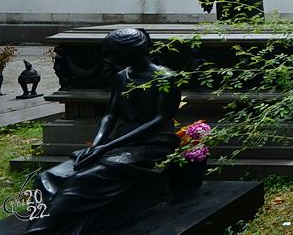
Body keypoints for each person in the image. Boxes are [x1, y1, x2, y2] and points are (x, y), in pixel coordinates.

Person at [27, 28, 179, 235]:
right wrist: (96, 145)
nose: (109, 56)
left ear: (131, 51)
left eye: (114, 51)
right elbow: (110, 115)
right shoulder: (121, 77)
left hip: (153, 143)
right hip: (121, 141)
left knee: (83, 179)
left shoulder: (165, 78)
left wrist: (106, 147)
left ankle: (39, 232)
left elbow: (158, 120)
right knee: (48, 176)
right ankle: (47, 227)